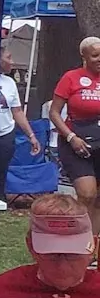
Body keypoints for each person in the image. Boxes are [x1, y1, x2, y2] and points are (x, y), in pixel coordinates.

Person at [50, 38, 100, 248]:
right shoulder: (71, 78)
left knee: (98, 199)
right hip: (76, 141)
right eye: (95, 55)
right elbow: (54, 113)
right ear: (84, 57)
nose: (99, 60)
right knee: (87, 193)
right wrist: (71, 137)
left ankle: (92, 246)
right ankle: (75, 240)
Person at [0, 43, 42, 209]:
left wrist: (31, 136)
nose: (12, 62)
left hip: (4, 136)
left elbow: (17, 111)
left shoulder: (9, 82)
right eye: (8, 57)